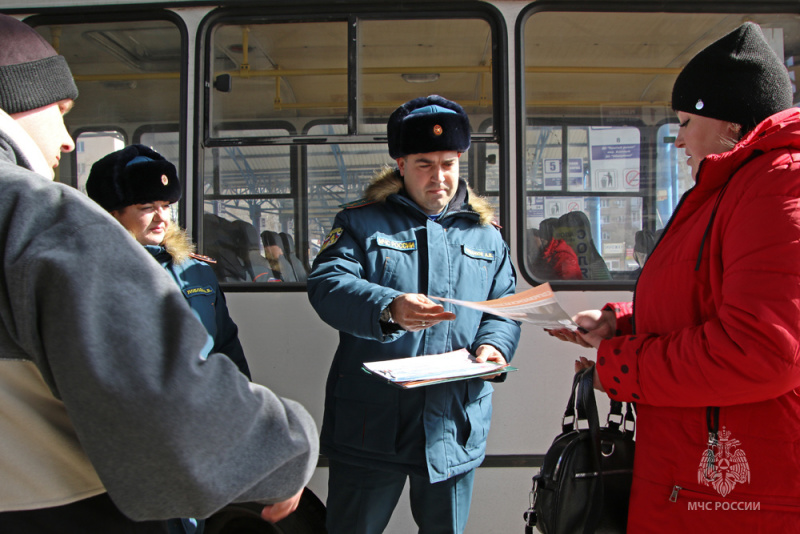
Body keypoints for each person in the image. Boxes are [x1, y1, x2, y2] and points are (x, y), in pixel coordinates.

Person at [0, 13, 318, 533]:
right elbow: (158, 391)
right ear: (18, 99)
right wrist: (282, 452)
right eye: (60, 111)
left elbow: (222, 351)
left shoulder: (195, 272)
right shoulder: (35, 216)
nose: (65, 139)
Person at [548, 22, 800, 531]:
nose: (679, 138)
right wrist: (622, 324)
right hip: (698, 476)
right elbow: (707, 299)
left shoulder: (776, 187)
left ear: (728, 120)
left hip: (742, 495)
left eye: (686, 121)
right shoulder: (737, 187)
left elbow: (761, 352)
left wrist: (619, 367)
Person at [307, 95, 521, 533]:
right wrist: (390, 307)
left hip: (452, 423)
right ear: (400, 164)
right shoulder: (360, 223)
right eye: (424, 163)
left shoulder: (486, 235)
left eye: (448, 163)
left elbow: (503, 307)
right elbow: (327, 285)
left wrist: (494, 347)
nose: (439, 178)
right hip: (372, 423)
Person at [86, 144, 251, 381]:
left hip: (204, 405)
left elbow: (226, 347)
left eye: (165, 206)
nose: (161, 217)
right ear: (112, 214)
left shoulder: (197, 272)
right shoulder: (94, 274)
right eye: (147, 207)